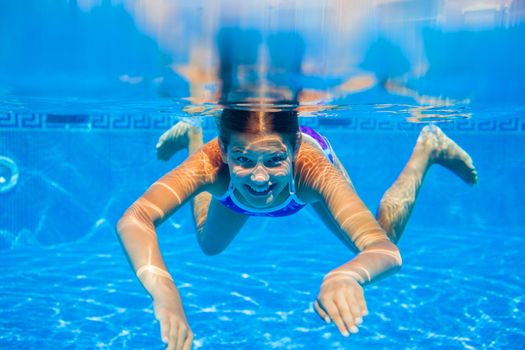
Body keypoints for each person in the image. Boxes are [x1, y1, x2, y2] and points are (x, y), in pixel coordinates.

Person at [116, 106, 477, 350]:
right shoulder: (210, 166)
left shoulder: (314, 170)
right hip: (229, 189)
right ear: (224, 150)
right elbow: (135, 218)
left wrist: (346, 277)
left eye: (274, 160)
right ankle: (194, 135)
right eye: (243, 159)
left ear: (295, 147)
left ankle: (428, 148)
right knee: (209, 245)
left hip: (296, 184)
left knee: (382, 235)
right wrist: (164, 293)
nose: (259, 177)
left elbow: (384, 250)